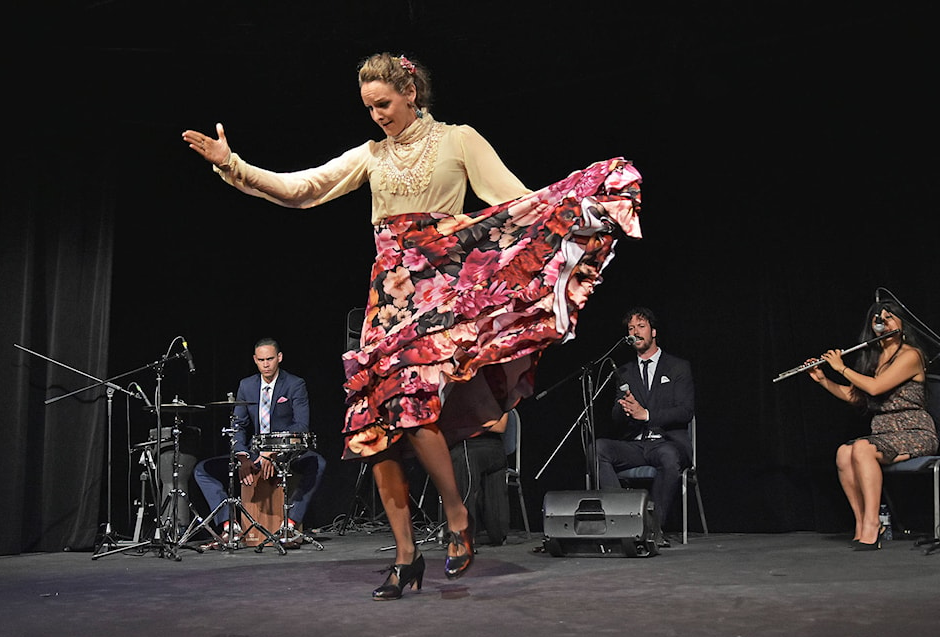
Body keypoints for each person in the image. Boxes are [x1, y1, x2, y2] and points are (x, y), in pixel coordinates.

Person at [183, 53, 643, 599]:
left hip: (439, 290)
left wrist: (570, 212)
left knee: (415, 402)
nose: (376, 115)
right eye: (368, 107)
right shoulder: (370, 155)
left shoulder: (458, 139)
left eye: (383, 103)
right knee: (373, 427)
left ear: (411, 93)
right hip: (387, 297)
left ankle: (457, 518)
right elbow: (300, 188)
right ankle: (405, 557)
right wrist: (232, 164)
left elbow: (514, 201)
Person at [808, 300, 937, 550]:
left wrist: (841, 368)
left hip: (914, 431)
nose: (883, 322)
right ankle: (861, 524)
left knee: (862, 448)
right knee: (844, 452)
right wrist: (824, 379)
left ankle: (872, 523)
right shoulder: (873, 358)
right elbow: (858, 396)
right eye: (878, 319)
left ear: (901, 324)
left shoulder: (911, 354)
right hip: (883, 433)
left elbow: (876, 387)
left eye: (889, 317)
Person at [193, 338, 326, 549]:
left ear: (279, 358)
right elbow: (238, 426)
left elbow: (301, 425)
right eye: (261, 360)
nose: (266, 364)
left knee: (318, 463)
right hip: (255, 453)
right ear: (255, 360)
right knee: (203, 470)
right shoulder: (246, 385)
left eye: (270, 359)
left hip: (285, 453)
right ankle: (230, 525)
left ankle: (290, 524)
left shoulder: (294, 384)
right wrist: (242, 456)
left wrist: (272, 450)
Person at [595, 306, 694, 545]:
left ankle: (652, 527)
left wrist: (646, 414)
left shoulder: (678, 367)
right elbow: (616, 418)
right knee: (597, 449)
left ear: (654, 331)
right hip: (636, 445)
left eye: (641, 326)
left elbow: (685, 411)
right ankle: (624, 519)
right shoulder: (624, 372)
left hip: (666, 442)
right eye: (631, 328)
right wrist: (623, 408)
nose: (635, 332)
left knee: (669, 458)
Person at [450, 412, 512, 547]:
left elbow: (500, 426)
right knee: (459, 457)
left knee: (463, 459)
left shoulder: (498, 393)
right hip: (461, 446)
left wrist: (469, 423)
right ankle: (461, 533)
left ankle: (468, 532)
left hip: (490, 447)